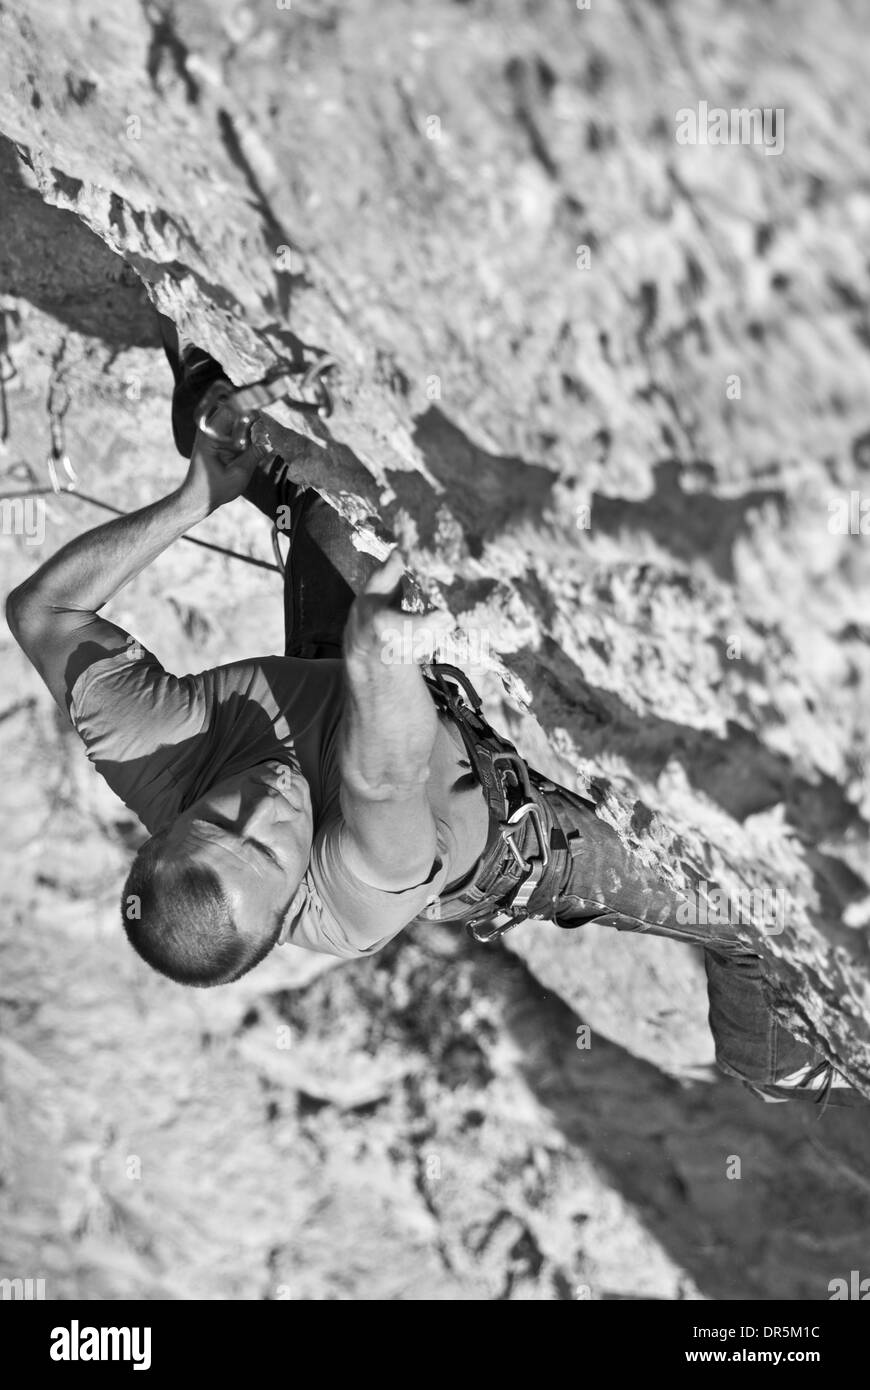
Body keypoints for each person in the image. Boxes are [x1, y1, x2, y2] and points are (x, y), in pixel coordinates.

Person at [6, 324, 862, 1108]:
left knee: (297, 476)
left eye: (216, 814)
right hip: (509, 838)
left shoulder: (162, 757)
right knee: (753, 916)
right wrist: (381, 659)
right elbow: (384, 775)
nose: (264, 799)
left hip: (341, 678)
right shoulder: (354, 897)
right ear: (288, 905)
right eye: (269, 845)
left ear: (168, 826)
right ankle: (771, 1056)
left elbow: (40, 615)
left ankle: (260, 475)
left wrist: (198, 495)